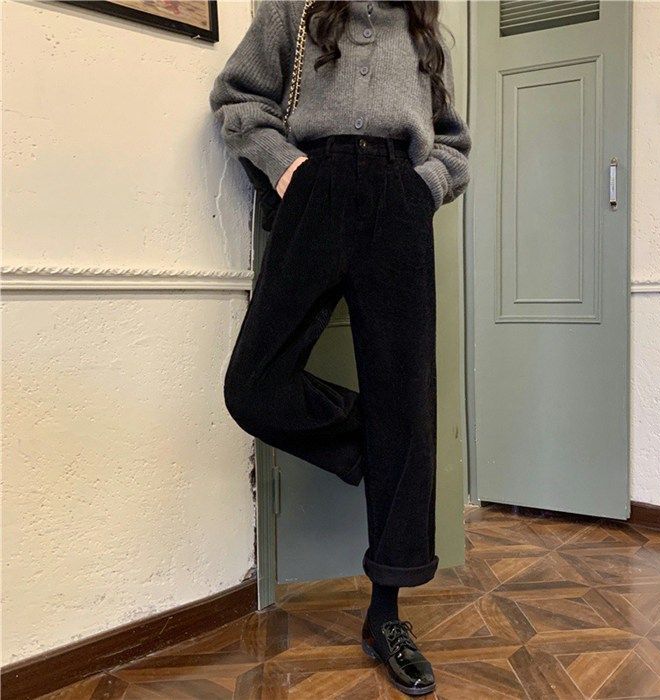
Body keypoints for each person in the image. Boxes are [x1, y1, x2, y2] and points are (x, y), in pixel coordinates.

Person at [209, 1, 470, 695]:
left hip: (399, 200)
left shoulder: (422, 29)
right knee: (254, 385)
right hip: (315, 190)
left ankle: (386, 616)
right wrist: (289, 170)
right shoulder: (291, 9)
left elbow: (453, 142)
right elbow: (238, 97)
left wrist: (424, 187)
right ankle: (376, 443)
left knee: (406, 396)